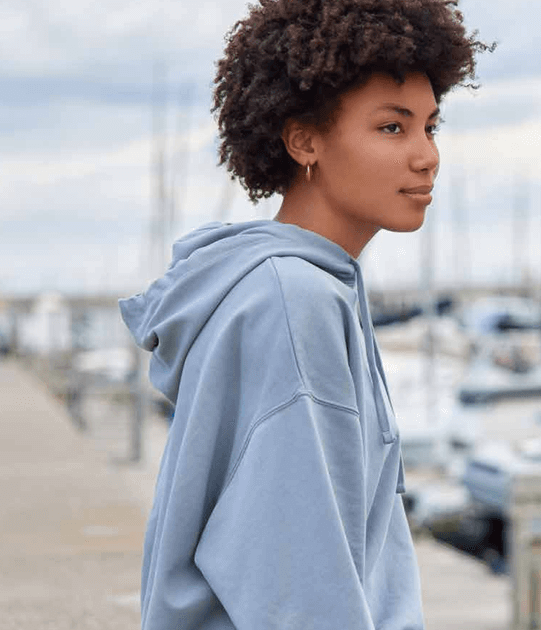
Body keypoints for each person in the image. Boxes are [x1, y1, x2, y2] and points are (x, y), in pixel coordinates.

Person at [119, 2, 487, 628]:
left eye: (430, 126)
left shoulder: (306, 283)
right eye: (392, 128)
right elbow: (298, 584)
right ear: (304, 141)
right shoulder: (293, 300)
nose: (427, 157)